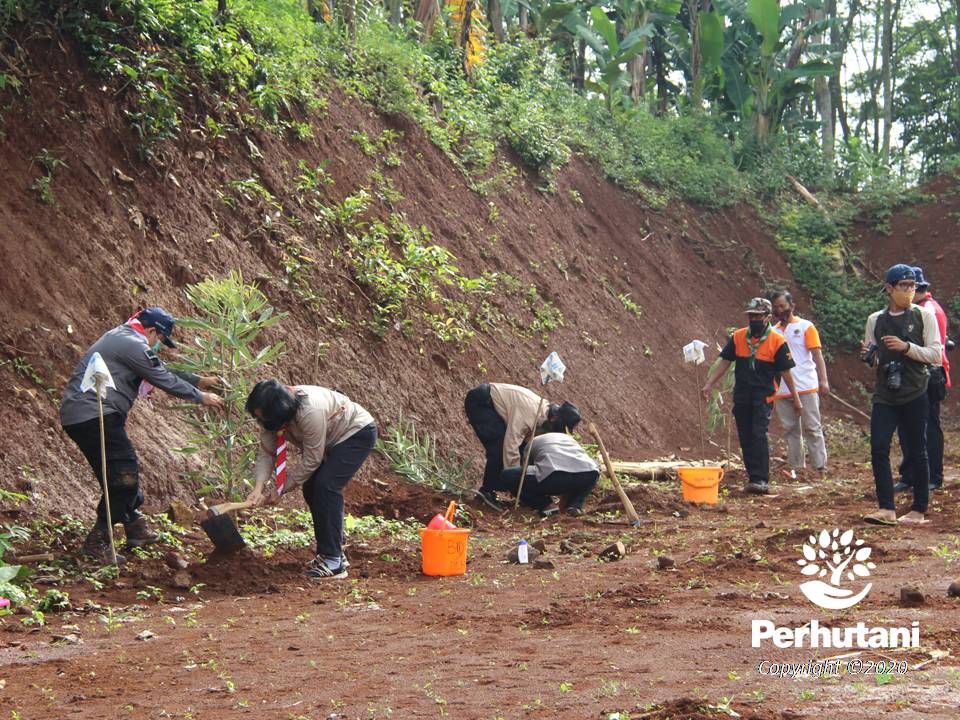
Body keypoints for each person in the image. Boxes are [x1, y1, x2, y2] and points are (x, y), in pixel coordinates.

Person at [60, 308, 226, 564]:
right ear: (151, 331)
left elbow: (156, 368)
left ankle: (135, 526)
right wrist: (201, 397)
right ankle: (98, 540)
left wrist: (199, 380)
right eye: (159, 339)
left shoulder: (124, 338)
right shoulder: (132, 343)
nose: (158, 345)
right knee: (123, 477)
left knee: (116, 473)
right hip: (94, 415)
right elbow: (160, 376)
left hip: (86, 415)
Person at [244, 380, 377, 580]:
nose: (262, 423)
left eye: (264, 419)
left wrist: (280, 489)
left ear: (281, 412)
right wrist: (258, 487)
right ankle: (335, 551)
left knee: (326, 486)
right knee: (311, 488)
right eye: (259, 418)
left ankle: (333, 561)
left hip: (355, 433)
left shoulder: (309, 411)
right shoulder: (270, 417)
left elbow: (312, 460)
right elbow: (266, 453)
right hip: (330, 440)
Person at [861, 264, 942, 526]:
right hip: (886, 392)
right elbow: (873, 361)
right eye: (903, 286)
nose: (908, 291)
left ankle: (919, 509)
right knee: (878, 447)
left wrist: (906, 347)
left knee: (917, 449)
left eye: (912, 287)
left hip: (916, 389)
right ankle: (886, 508)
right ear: (889, 288)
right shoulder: (876, 320)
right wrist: (869, 356)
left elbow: (936, 355)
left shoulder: (923, 316)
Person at [702, 298, 802, 495]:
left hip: (763, 395)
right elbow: (725, 362)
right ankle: (752, 477)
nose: (754, 319)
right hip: (742, 395)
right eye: (751, 316)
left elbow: (786, 373)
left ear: (767, 317)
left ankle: (761, 479)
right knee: (746, 436)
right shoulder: (739, 337)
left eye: (758, 316)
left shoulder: (777, 340)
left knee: (758, 434)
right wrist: (709, 383)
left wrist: (796, 399)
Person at [464, 382, 581, 510]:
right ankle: (486, 492)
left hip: (496, 408)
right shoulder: (529, 414)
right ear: (553, 419)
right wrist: (514, 478)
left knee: (522, 450)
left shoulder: (543, 415)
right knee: (499, 447)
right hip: (482, 402)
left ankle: (501, 487)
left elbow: (527, 449)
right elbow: (511, 445)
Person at [894, 266, 950, 494]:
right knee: (909, 426)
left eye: (908, 287)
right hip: (915, 373)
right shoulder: (919, 309)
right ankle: (911, 475)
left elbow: (932, 349)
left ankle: (932, 476)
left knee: (927, 427)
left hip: (929, 373)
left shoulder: (928, 311)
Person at [769, 290, 830, 476]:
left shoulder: (806, 327)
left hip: (806, 385)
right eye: (776, 307)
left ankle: (820, 467)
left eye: (782, 306)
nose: (780, 310)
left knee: (812, 426)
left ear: (792, 306)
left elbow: (817, 355)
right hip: (782, 390)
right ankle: (797, 468)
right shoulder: (772, 331)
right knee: (790, 429)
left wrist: (824, 380)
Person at [500, 433, 600, 517]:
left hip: (554, 476)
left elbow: (527, 470)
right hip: (589, 474)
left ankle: (546, 505)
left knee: (508, 475)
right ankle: (574, 506)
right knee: (588, 472)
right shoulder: (568, 438)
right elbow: (573, 467)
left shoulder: (531, 443)